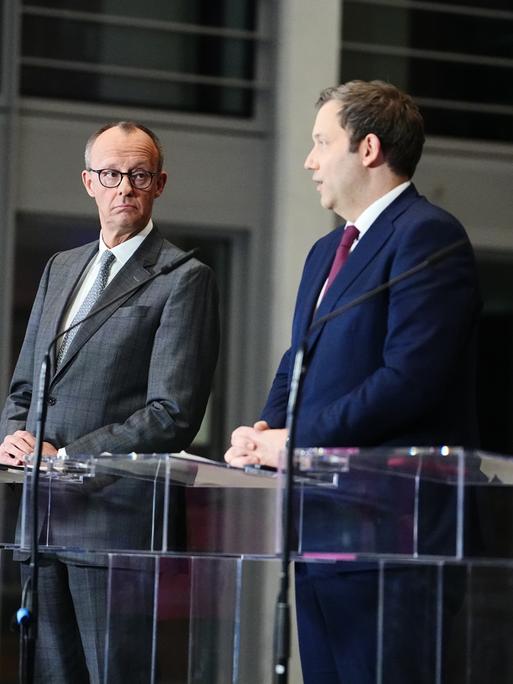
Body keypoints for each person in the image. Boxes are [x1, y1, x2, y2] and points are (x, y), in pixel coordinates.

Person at [225, 81, 480, 683]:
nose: (310, 161)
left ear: (367, 148)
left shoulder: (428, 236)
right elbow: (301, 359)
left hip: (396, 535)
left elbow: (408, 379)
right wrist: (264, 432)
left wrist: (299, 441)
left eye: (320, 142)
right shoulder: (324, 252)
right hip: (321, 528)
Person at [0, 121, 219, 682]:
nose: (125, 186)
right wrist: (15, 432)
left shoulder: (181, 278)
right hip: (41, 523)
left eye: (139, 175)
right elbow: (26, 384)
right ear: (88, 182)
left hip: (117, 532)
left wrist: (66, 459)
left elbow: (172, 414)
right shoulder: (61, 269)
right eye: (111, 174)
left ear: (159, 184)